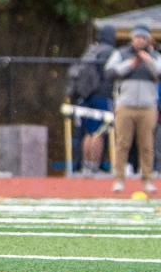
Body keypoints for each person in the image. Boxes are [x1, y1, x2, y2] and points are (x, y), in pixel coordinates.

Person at [105, 24, 161, 194]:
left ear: (147, 39)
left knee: (146, 144)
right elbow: (110, 72)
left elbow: (158, 73)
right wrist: (132, 64)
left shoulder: (155, 56)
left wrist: (147, 60)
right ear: (132, 38)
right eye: (137, 37)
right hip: (125, 106)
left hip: (147, 107)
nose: (139, 40)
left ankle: (147, 180)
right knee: (122, 143)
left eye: (143, 38)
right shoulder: (121, 54)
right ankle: (119, 179)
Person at [67, 25, 117, 175]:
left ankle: (86, 165)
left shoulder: (91, 50)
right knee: (99, 132)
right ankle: (94, 166)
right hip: (101, 96)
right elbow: (110, 75)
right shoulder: (109, 52)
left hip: (85, 96)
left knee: (88, 132)